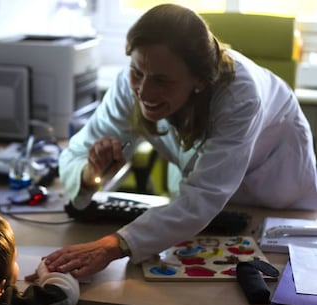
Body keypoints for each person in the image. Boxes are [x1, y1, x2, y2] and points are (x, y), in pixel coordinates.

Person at [45, 4, 317, 278]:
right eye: (137, 72)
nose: (144, 92)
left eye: (162, 80)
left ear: (198, 79)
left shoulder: (239, 96)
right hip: (206, 212)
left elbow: (203, 196)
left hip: (276, 197)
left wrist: (114, 245)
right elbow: (75, 151)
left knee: (275, 279)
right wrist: (90, 170)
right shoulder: (131, 86)